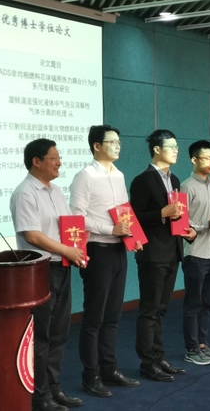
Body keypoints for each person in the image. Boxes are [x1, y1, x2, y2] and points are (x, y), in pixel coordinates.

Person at [10, 138, 84, 411]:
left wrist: (77, 250)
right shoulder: (25, 193)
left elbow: (68, 228)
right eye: (54, 157)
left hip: (62, 266)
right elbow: (32, 235)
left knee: (59, 333)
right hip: (39, 271)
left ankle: (54, 388)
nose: (59, 163)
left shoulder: (56, 191)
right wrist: (67, 249)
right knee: (41, 336)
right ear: (36, 161)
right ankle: (39, 396)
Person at [69, 125, 141, 397]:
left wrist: (134, 237)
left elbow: (124, 212)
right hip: (97, 250)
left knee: (113, 316)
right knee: (94, 318)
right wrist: (110, 229)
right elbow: (76, 217)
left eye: (119, 141)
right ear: (96, 146)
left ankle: (109, 369)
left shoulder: (119, 174)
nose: (118, 146)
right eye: (112, 142)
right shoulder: (85, 176)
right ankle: (91, 376)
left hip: (119, 250)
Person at [130, 129, 196, 382]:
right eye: (171, 147)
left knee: (161, 309)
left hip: (172, 251)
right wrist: (161, 213)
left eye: (177, 146)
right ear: (157, 149)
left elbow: (176, 215)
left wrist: (187, 231)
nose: (176, 151)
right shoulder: (143, 180)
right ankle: (148, 363)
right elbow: (135, 217)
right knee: (149, 310)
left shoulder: (175, 179)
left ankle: (158, 357)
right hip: (152, 253)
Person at [180, 140, 210, 365]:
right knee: (193, 304)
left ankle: (202, 344)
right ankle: (191, 348)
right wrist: (206, 224)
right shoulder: (187, 186)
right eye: (206, 158)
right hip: (195, 253)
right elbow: (182, 223)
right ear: (194, 159)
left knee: (207, 303)